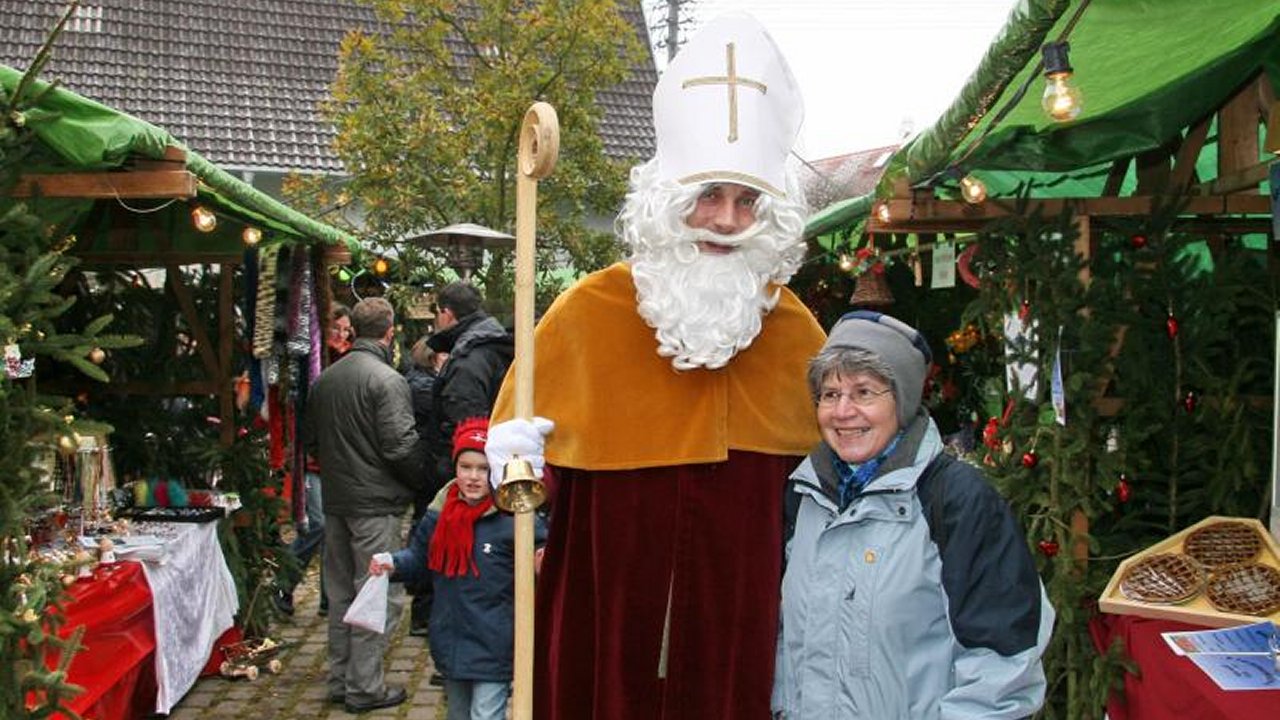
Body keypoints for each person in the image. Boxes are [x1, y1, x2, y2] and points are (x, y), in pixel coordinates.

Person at [485, 13, 824, 719]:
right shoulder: (587, 311)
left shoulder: (792, 330)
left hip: (738, 616)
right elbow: (508, 463)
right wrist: (509, 460)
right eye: (708, 195)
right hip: (604, 605)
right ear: (667, 203)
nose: (726, 221)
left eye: (745, 201)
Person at [771, 311, 1054, 719]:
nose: (843, 411)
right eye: (830, 394)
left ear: (901, 401)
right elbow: (783, 642)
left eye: (864, 392)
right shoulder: (805, 497)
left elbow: (1004, 667)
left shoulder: (955, 502)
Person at [370, 417, 547, 720]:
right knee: (458, 713)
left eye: (482, 469)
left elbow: (542, 554)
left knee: (486, 714)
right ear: (455, 468)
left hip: (495, 641)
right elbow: (421, 558)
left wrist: (542, 560)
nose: (474, 477)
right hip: (451, 638)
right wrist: (393, 563)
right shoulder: (439, 515)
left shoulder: (512, 520)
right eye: (466, 467)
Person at [303, 297, 424, 714]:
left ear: (353, 330)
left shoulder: (325, 380)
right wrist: (422, 479)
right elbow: (400, 446)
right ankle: (365, 686)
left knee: (339, 593)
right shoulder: (388, 381)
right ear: (389, 332)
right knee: (373, 594)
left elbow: (312, 442)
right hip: (375, 503)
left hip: (338, 498)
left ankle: (341, 679)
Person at [275, 303, 355, 617]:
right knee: (318, 524)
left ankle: (328, 598)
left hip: (338, 461)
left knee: (334, 530)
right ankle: (283, 582)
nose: (342, 334)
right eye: (337, 328)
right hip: (312, 459)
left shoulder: (349, 360)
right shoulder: (313, 361)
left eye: (347, 330)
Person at [426, 282, 513, 495]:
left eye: (437, 313)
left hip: (468, 477)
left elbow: (466, 422)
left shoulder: (468, 358)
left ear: (446, 313)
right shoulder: (486, 347)